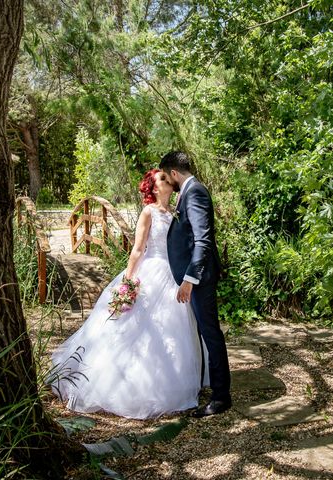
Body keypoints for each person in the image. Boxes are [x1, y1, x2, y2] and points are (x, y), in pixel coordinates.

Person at [49, 169, 207, 419]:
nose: (169, 182)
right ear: (154, 189)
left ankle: (172, 378)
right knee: (136, 328)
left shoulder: (175, 211)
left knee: (173, 329)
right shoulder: (149, 212)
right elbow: (137, 249)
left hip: (173, 275)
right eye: (163, 180)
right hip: (151, 271)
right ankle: (129, 386)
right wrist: (128, 281)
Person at [159, 151, 232, 417]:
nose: (168, 182)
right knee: (204, 333)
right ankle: (212, 385)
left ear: (174, 173)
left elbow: (203, 240)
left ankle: (221, 397)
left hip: (200, 278)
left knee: (210, 333)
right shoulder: (189, 191)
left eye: (167, 177)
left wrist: (190, 279)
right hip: (196, 277)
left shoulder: (195, 193)